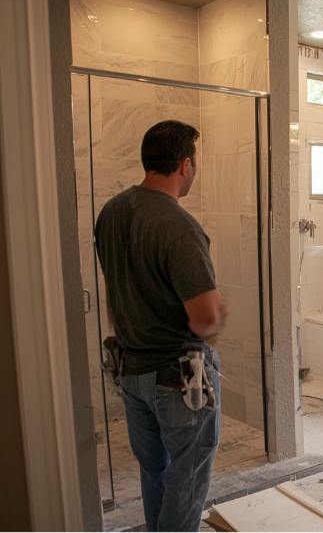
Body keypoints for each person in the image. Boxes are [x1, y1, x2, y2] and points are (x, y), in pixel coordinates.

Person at [95, 120, 229, 532]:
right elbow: (204, 318)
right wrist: (219, 311)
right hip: (178, 379)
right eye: (197, 162)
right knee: (186, 481)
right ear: (184, 164)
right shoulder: (178, 225)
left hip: (132, 371)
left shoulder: (112, 212)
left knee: (156, 471)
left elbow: (116, 295)